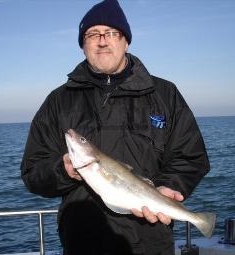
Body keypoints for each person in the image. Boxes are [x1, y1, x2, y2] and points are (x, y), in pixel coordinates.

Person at [21, 0, 210, 254]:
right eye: (92, 34)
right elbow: (33, 172)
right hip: (81, 243)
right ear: (83, 44)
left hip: (151, 241)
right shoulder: (58, 101)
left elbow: (190, 157)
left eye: (111, 33)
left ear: (125, 41)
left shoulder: (165, 94)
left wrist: (169, 187)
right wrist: (63, 170)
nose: (102, 41)